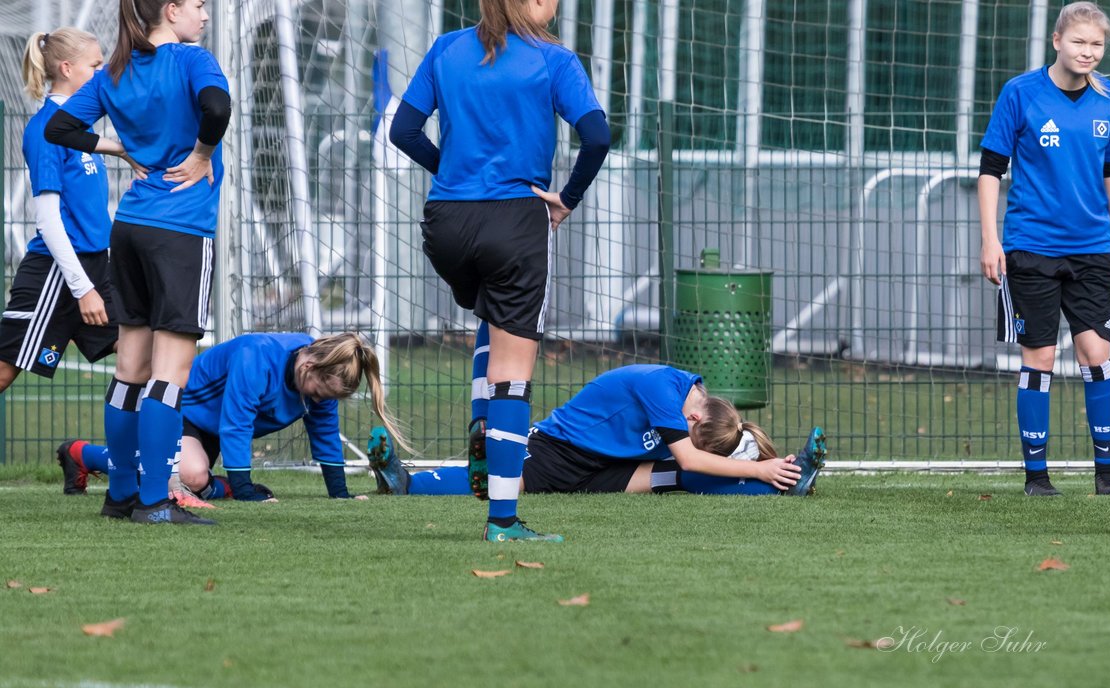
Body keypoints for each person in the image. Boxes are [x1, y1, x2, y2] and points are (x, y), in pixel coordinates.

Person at [389, 0, 611, 542]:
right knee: (514, 371)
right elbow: (597, 136)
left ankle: (479, 420)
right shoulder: (553, 60)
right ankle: (504, 521)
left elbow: (403, 131)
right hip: (515, 220)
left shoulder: (446, 48)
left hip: (446, 222)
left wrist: (457, 174)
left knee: (493, 313)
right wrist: (568, 199)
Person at [45, 0, 231, 524]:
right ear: (171, 10)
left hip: (128, 228)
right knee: (169, 375)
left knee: (130, 371)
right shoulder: (193, 60)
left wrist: (120, 151)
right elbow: (217, 109)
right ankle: (155, 500)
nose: (205, 14)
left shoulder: (114, 72)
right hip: (181, 232)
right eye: (198, 5)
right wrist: (200, 155)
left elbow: (58, 128)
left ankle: (120, 496)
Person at [366, 365, 826, 532]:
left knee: (681, 478)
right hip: (560, 450)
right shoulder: (660, 388)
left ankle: (785, 484)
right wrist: (758, 468)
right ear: (694, 420)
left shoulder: (693, 407)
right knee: (503, 480)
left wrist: (767, 468)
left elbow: (689, 463)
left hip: (614, 470)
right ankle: (404, 482)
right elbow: (688, 455)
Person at [978, 1, 1110, 497]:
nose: (1088, 52)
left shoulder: (1108, 98)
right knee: (1039, 357)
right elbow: (990, 170)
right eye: (1079, 42)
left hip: (1092, 251)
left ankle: (1107, 476)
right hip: (1031, 248)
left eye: (1097, 44)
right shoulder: (1020, 93)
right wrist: (990, 239)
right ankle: (1036, 477)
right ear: (1057, 41)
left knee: (1096, 354)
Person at [59, 332, 407, 505]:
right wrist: (243, 490)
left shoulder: (321, 377)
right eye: (318, 393)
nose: (318, 401)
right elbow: (236, 425)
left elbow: (325, 432)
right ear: (308, 365)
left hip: (214, 428)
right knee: (188, 475)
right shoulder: (256, 359)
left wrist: (340, 495)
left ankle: (213, 483)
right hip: (184, 414)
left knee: (188, 478)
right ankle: (80, 454)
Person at [0, 29, 135, 397]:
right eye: (95, 65)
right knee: (4, 372)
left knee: (140, 354)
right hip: (56, 274)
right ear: (67, 68)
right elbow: (47, 220)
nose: (103, 71)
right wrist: (82, 289)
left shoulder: (80, 127)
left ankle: (137, 453)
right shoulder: (46, 130)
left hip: (94, 267)